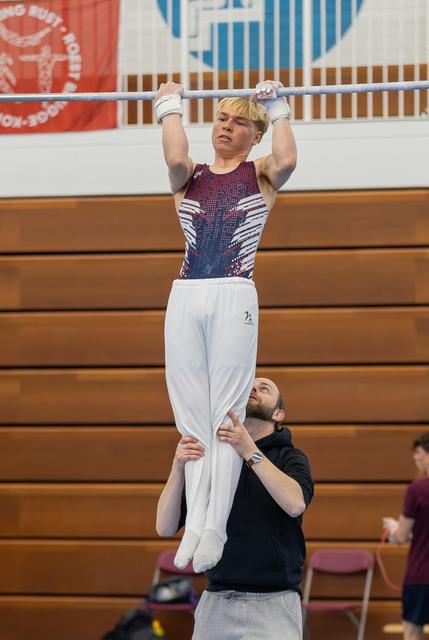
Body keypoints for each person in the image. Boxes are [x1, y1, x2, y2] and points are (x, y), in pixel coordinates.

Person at [156, 79, 297, 573]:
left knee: (225, 415)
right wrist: (169, 104)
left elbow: (288, 162)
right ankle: (194, 524)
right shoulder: (187, 176)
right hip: (186, 293)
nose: (227, 127)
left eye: (239, 122)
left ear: (253, 136)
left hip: (235, 289)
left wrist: (277, 108)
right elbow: (174, 155)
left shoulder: (259, 172)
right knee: (191, 415)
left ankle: (215, 523)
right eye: (221, 118)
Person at [156, 377, 314, 640]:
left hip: (273, 601)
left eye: (265, 389)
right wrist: (178, 466)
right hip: (217, 598)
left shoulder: (290, 457)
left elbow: (295, 503)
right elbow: (164, 526)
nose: (254, 389)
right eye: (250, 386)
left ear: (278, 413)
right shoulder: (213, 458)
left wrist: (248, 449)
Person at [383, 431, 429, 640]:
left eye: (418, 452)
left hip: (421, 576)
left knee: (412, 632)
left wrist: (393, 528)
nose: (415, 457)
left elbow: (401, 536)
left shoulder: (418, 489)